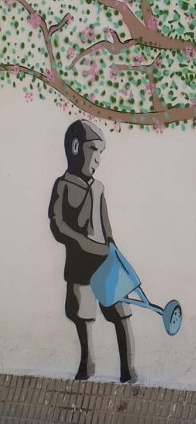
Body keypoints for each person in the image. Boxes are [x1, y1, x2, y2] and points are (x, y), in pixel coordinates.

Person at [48, 120, 136, 383]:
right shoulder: (63, 185)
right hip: (79, 264)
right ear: (76, 147)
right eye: (94, 150)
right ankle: (87, 365)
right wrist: (79, 241)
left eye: (101, 153)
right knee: (82, 316)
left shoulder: (98, 188)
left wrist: (112, 246)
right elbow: (57, 223)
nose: (98, 159)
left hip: (106, 262)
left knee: (120, 314)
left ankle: (128, 370)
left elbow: (105, 224)